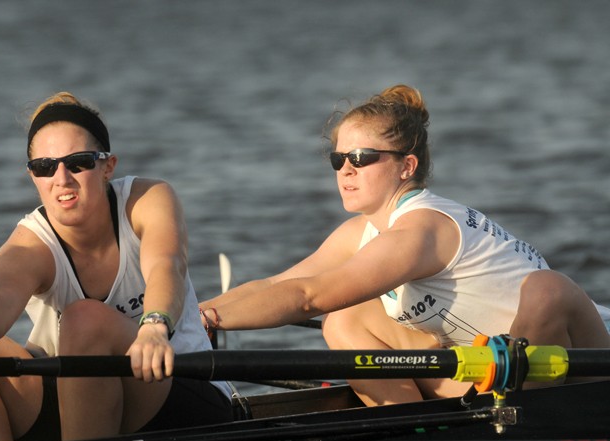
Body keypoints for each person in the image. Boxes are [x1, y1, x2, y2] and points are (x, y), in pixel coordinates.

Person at [199, 84, 610, 407]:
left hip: (585, 363)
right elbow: (278, 285)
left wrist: (212, 320)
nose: (345, 170)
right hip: (491, 375)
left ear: (406, 166)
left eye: (361, 158)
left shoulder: (421, 229)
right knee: (344, 319)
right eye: (337, 159)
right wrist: (190, 318)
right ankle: (410, 428)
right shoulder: (358, 234)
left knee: (546, 288)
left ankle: (504, 425)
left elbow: (308, 297)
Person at [0, 92, 232, 441]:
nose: (61, 179)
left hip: (176, 390)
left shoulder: (147, 200)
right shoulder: (29, 244)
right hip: (73, 402)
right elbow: (0, 294)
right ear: (33, 176)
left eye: (78, 162)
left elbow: (166, 266)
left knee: (85, 319)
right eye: (45, 167)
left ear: (108, 166)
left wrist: (155, 327)